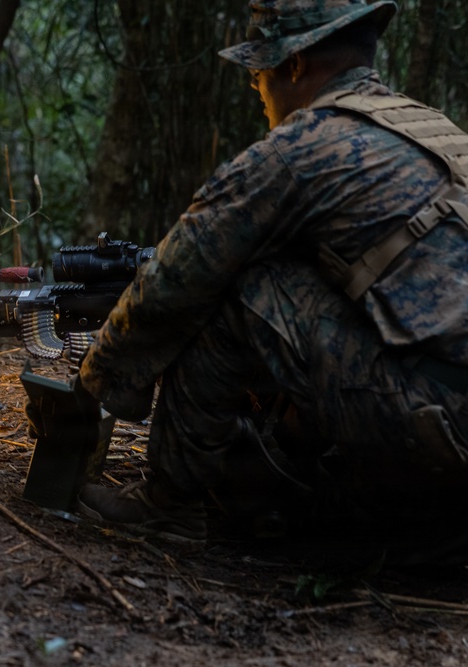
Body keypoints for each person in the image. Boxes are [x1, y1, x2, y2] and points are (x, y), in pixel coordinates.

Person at [71, 0, 468, 562]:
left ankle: (168, 507)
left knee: (238, 281)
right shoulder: (433, 131)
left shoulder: (302, 149)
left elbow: (176, 279)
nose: (259, 94)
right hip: (448, 410)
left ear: (295, 65)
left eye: (259, 77)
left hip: (444, 426)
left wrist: (95, 381)